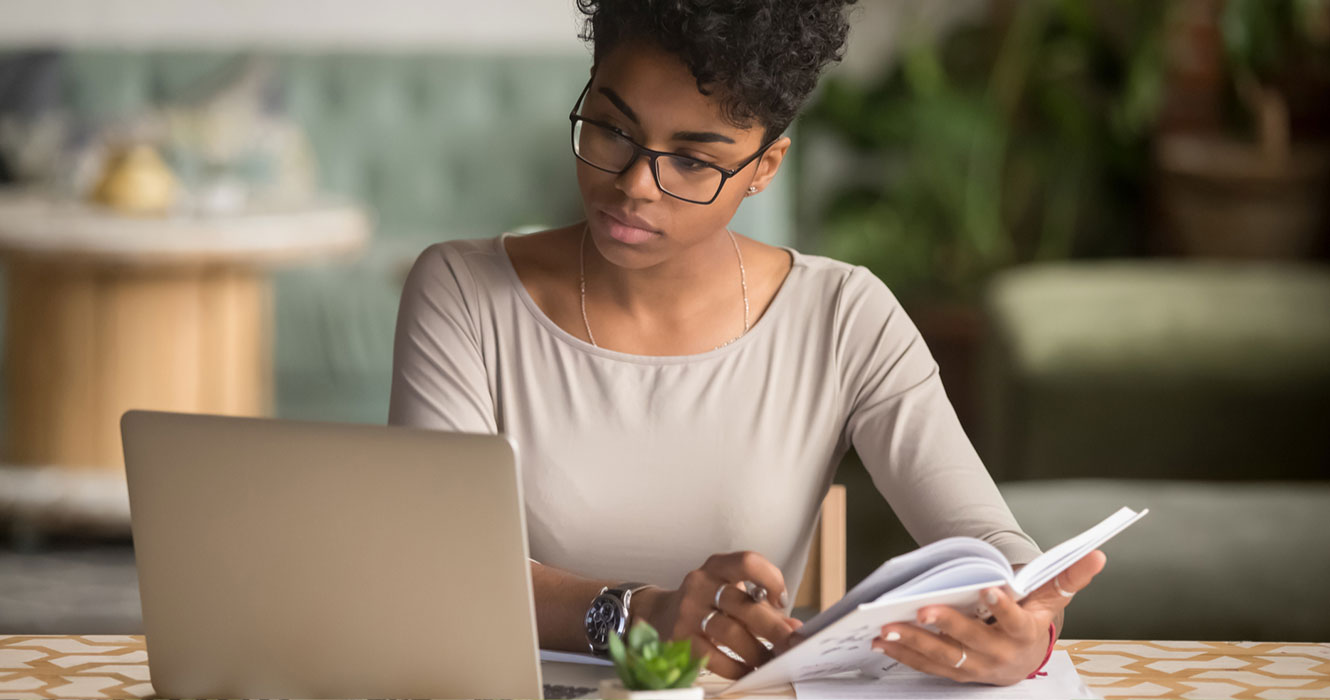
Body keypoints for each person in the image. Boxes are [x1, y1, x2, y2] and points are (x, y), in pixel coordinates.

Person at [388, 0, 1106, 685]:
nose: (636, 183)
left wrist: (1029, 625)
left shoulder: (842, 316)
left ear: (765, 167)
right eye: (612, 130)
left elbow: (987, 539)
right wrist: (639, 617)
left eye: (694, 161)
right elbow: (432, 564)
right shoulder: (462, 292)